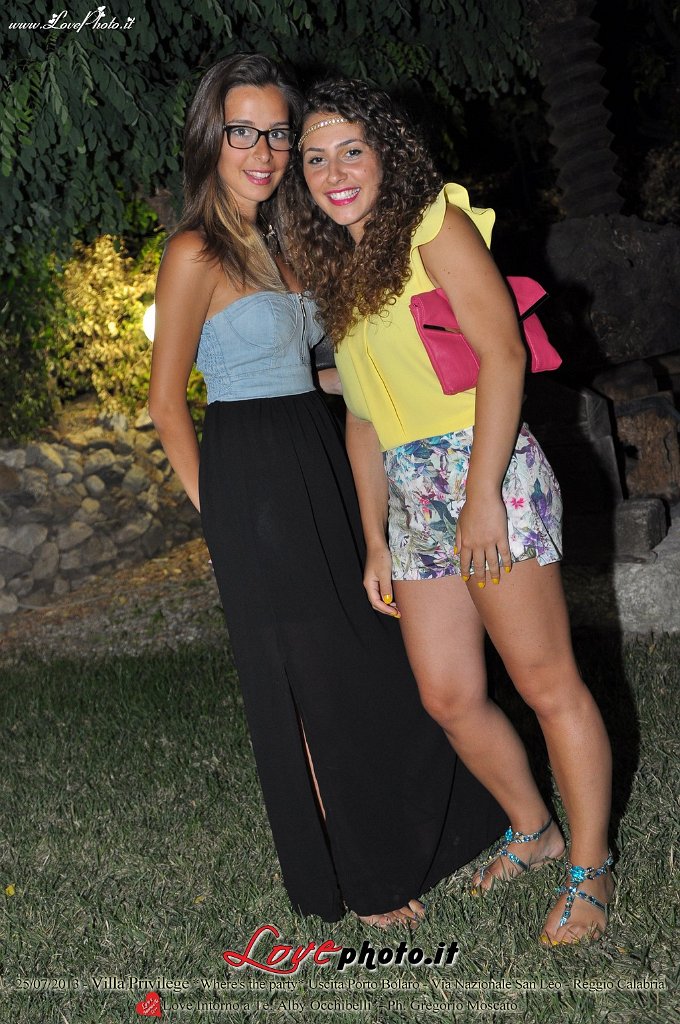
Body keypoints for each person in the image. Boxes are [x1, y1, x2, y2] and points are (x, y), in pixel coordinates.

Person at [148, 54, 505, 927]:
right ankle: (354, 875)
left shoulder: (289, 243)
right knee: (304, 680)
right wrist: (221, 515)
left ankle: (433, 826)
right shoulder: (194, 251)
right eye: (243, 131)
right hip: (252, 480)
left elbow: (317, 371)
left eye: (278, 133)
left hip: (318, 453)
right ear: (210, 138)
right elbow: (166, 404)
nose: (264, 151)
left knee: (362, 656)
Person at [280, 77, 615, 945]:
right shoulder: (342, 273)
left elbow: (503, 354)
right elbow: (362, 418)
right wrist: (374, 538)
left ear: (386, 154)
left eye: (351, 150)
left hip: (485, 472)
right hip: (411, 494)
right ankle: (533, 830)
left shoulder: (434, 224)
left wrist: (481, 500)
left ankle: (590, 868)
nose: (334, 172)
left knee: (546, 683)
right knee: (450, 695)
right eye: (314, 159)